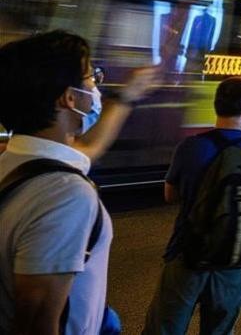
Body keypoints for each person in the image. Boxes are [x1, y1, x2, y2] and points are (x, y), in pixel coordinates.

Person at [0, 31, 157, 334]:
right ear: (70, 98)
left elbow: (87, 151)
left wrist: (127, 96)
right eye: (91, 78)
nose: (95, 86)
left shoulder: (13, 162)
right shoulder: (66, 195)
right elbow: (37, 321)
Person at [143, 77, 241, 333]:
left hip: (189, 253)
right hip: (234, 258)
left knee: (165, 327)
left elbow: (170, 195)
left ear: (216, 105)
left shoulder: (191, 146)